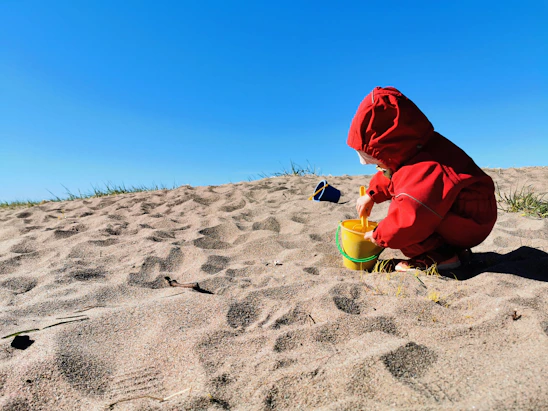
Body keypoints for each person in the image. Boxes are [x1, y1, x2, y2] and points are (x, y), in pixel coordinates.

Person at [347, 86, 497, 272]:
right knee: (409, 207)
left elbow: (410, 218)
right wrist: (371, 194)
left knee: (406, 229)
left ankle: (443, 258)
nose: (372, 166)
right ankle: (452, 251)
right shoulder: (414, 148)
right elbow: (392, 173)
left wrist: (378, 235)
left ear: (390, 149)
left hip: (470, 218)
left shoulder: (425, 167)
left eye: (376, 161)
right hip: (466, 210)